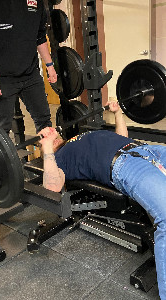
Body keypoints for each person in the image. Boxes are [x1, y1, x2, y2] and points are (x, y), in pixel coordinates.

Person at [39, 102, 166, 300]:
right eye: (43, 135)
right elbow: (52, 188)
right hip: (126, 165)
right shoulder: (59, 159)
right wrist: (46, 147)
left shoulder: (77, 137)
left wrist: (117, 113)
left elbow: (122, 138)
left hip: (146, 150)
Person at [0, 0, 57, 133]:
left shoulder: (36, 2)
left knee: (45, 124)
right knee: (1, 131)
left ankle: (49, 154)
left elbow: (40, 36)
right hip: (1, 77)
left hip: (30, 73)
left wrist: (50, 65)